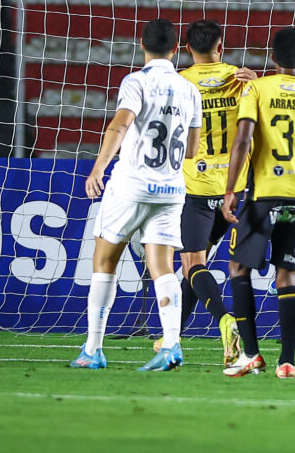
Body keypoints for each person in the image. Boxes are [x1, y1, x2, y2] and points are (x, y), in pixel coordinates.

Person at [70, 18, 202, 371]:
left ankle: (93, 350)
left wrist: (98, 168)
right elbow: (192, 149)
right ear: (176, 48)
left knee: (104, 261)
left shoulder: (136, 81)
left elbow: (121, 123)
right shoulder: (190, 88)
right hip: (171, 189)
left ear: (142, 46)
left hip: (132, 185)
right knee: (163, 267)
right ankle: (171, 345)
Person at [220, 27, 295, 379]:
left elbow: (242, 141)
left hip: (264, 194)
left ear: (272, 58)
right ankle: (287, 361)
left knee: (238, 269)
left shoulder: (258, 88)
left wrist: (231, 190)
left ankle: (253, 355)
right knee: (287, 275)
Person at [177, 19, 257, 366]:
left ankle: (226, 321)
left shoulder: (179, 82)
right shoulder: (241, 79)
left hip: (196, 187)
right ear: (220, 46)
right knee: (196, 267)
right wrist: (257, 83)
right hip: (236, 189)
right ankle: (171, 337)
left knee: (193, 264)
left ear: (187, 48)